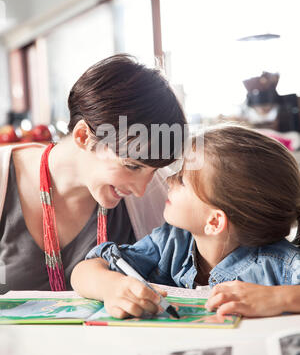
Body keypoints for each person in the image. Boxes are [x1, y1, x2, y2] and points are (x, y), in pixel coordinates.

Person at [71, 124, 300, 319]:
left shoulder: (281, 264)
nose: (169, 179)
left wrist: (279, 298)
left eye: (181, 179)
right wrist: (112, 286)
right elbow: (83, 271)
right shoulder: (170, 242)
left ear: (214, 221)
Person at [0, 54, 187, 291]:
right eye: (132, 166)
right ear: (83, 136)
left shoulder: (156, 193)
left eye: (153, 171)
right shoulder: (5, 180)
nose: (140, 190)